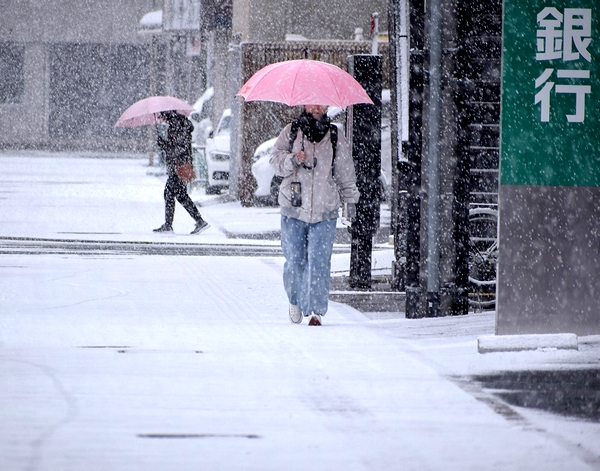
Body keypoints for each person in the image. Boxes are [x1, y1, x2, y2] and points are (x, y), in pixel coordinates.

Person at [270, 105, 360, 326]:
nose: (316, 107)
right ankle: (295, 300)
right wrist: (293, 159)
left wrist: (351, 200)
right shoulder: (291, 131)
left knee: (319, 262)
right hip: (294, 208)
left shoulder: (335, 135)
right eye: (312, 102)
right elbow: (274, 162)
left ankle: (315, 311)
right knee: (294, 261)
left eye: (321, 102)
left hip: (325, 208)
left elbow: (345, 171)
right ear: (304, 104)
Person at [153, 110, 209, 235]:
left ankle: (170, 225)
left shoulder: (179, 127)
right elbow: (177, 147)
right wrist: (165, 144)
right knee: (180, 195)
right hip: (182, 165)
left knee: (170, 193)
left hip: (180, 166)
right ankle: (198, 221)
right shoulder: (179, 125)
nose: (163, 120)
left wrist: (164, 144)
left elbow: (178, 149)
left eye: (163, 117)